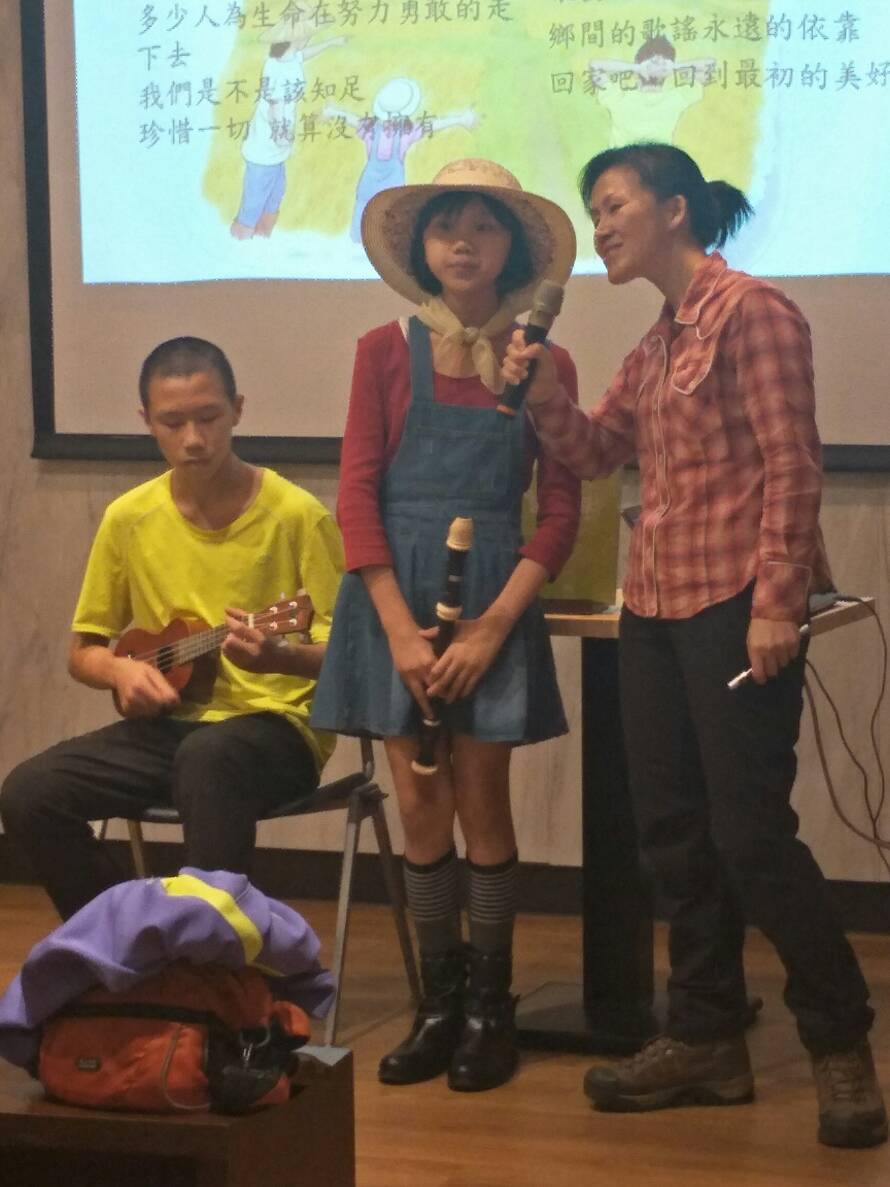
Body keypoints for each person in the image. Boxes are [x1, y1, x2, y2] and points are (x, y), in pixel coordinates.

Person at [503, 142, 886, 1149]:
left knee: (749, 834)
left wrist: (777, 601)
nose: (600, 228)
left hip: (734, 602)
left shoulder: (754, 311)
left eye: (613, 205)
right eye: (594, 212)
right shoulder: (655, 342)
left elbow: (792, 461)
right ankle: (707, 1037)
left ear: (675, 208)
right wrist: (540, 390)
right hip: (654, 605)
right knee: (670, 833)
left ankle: (839, 1038)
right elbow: (596, 451)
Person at [311, 158, 580, 1092]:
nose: (463, 242)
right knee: (419, 805)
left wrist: (492, 628)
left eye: (484, 227)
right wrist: (397, 629)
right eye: (444, 226)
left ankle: (490, 1007)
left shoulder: (545, 360)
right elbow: (355, 494)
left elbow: (560, 512)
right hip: (394, 599)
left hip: (491, 599)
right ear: (420, 247)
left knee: (482, 802)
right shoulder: (381, 349)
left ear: (514, 249)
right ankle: (438, 1003)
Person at [1, 337, 343, 921]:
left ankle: (212, 952)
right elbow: (83, 652)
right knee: (28, 793)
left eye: (208, 417)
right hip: (170, 727)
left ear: (237, 410)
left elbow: (349, 657)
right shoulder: (128, 518)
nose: (193, 438)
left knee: (208, 758)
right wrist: (121, 672)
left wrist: (280, 658)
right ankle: (126, 937)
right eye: (173, 422)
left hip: (277, 731)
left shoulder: (299, 515)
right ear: (147, 422)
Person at [230, 18, 347, 240]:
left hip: (276, 149)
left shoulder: (290, 58)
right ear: (294, 39)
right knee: (255, 199)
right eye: (307, 34)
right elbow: (275, 107)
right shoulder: (276, 69)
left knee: (275, 194)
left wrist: (331, 42)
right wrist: (282, 138)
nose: (309, 37)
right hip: (266, 147)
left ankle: (262, 234)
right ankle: (242, 238)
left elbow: (304, 54)